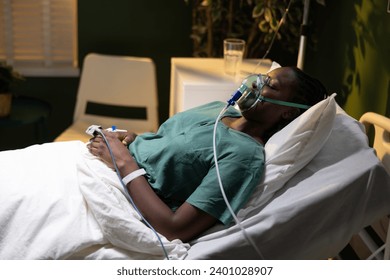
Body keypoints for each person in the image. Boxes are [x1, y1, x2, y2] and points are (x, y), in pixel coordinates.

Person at [87, 66, 328, 243]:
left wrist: (123, 161)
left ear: (288, 113)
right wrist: (133, 139)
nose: (256, 84)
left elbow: (175, 229)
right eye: (263, 78)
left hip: (122, 190)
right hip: (106, 162)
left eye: (270, 86)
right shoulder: (217, 109)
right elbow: (169, 148)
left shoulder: (244, 156)